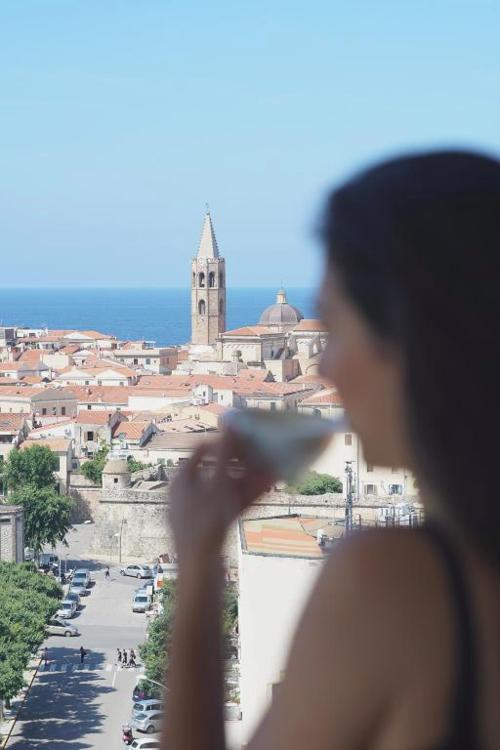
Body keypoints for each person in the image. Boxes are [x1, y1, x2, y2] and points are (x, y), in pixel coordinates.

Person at [162, 151, 500, 750]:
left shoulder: (395, 579)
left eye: (336, 331)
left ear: (415, 338)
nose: (325, 369)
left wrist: (198, 560)